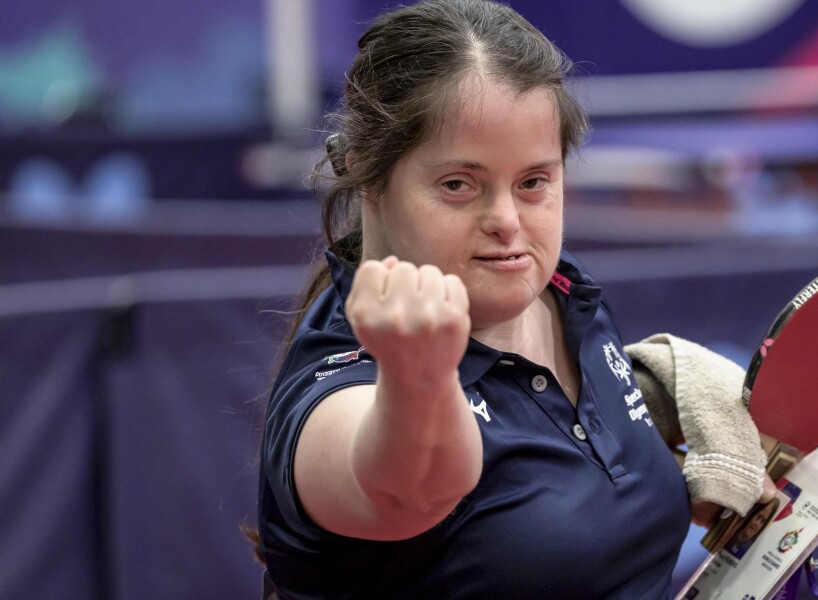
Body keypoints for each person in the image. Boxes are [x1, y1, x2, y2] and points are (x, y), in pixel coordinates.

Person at [255, 1, 768, 598]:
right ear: (368, 172)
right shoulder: (340, 396)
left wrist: (655, 424)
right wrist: (418, 373)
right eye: (458, 184)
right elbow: (412, 491)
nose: (506, 220)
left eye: (533, 182)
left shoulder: (566, 296)